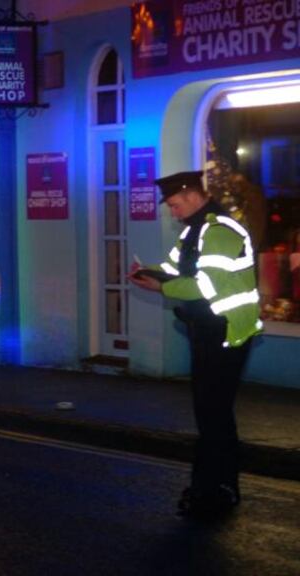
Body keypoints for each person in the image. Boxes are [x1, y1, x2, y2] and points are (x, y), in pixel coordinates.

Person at [129, 171, 261, 520]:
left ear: (191, 195)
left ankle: (213, 490)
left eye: (174, 205)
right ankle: (219, 487)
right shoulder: (194, 231)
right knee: (212, 414)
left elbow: (205, 285)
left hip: (226, 333)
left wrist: (162, 288)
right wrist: (150, 271)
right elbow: (174, 268)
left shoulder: (219, 231)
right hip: (206, 331)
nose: (173, 213)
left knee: (213, 414)